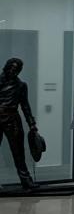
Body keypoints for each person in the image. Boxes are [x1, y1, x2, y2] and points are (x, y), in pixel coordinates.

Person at [0, 58, 38, 191]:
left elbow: (25, 106)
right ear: (6, 66)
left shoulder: (21, 85)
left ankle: (26, 181)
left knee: (18, 152)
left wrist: (32, 124)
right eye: (11, 67)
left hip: (12, 120)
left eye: (16, 69)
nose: (13, 70)